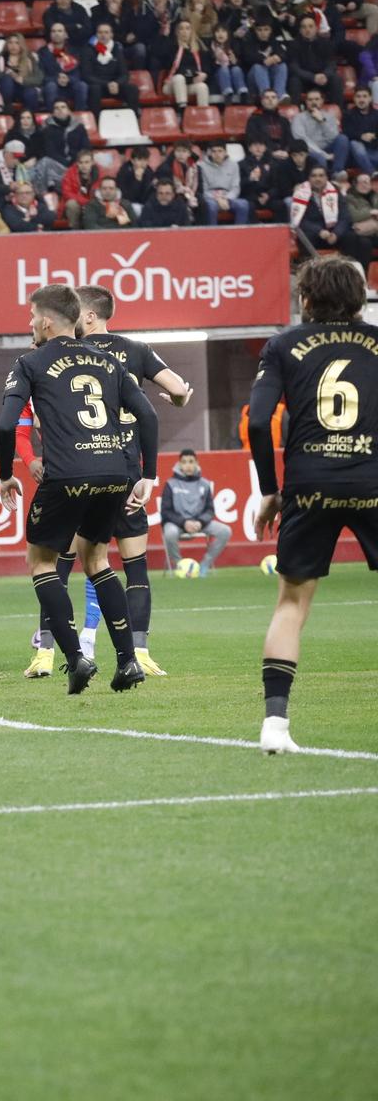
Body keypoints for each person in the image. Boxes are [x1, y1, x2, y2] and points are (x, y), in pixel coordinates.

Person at [0, 284, 159, 695]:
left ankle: (75, 659)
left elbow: (5, 424)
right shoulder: (108, 361)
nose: (30, 323)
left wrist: (5, 474)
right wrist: (149, 474)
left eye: (32, 316)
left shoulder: (30, 363)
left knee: (41, 562)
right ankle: (127, 662)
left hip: (67, 475)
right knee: (98, 559)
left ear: (47, 321)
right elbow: (149, 415)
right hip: (115, 474)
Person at [23, 286, 193, 677]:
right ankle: (139, 652)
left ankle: (47, 652)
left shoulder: (61, 358)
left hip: (77, 468)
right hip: (127, 472)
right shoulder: (136, 350)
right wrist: (180, 401)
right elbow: (179, 390)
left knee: (57, 563)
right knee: (133, 566)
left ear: (89, 316)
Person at [246, 255, 378, 752]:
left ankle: (275, 727)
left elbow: (259, 422)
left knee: (292, 604)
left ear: (306, 299)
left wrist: (270, 491)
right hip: (373, 479)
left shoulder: (282, 345)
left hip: (310, 484)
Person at [155, 447, 231, 573]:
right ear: (179, 465)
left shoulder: (204, 484)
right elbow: (166, 512)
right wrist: (184, 522)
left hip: (198, 524)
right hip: (177, 524)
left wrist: (200, 522)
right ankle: (180, 566)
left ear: (197, 463)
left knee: (225, 531)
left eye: (191, 462)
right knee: (169, 533)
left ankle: (205, 564)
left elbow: (209, 510)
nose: (188, 465)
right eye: (184, 462)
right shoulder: (170, 484)